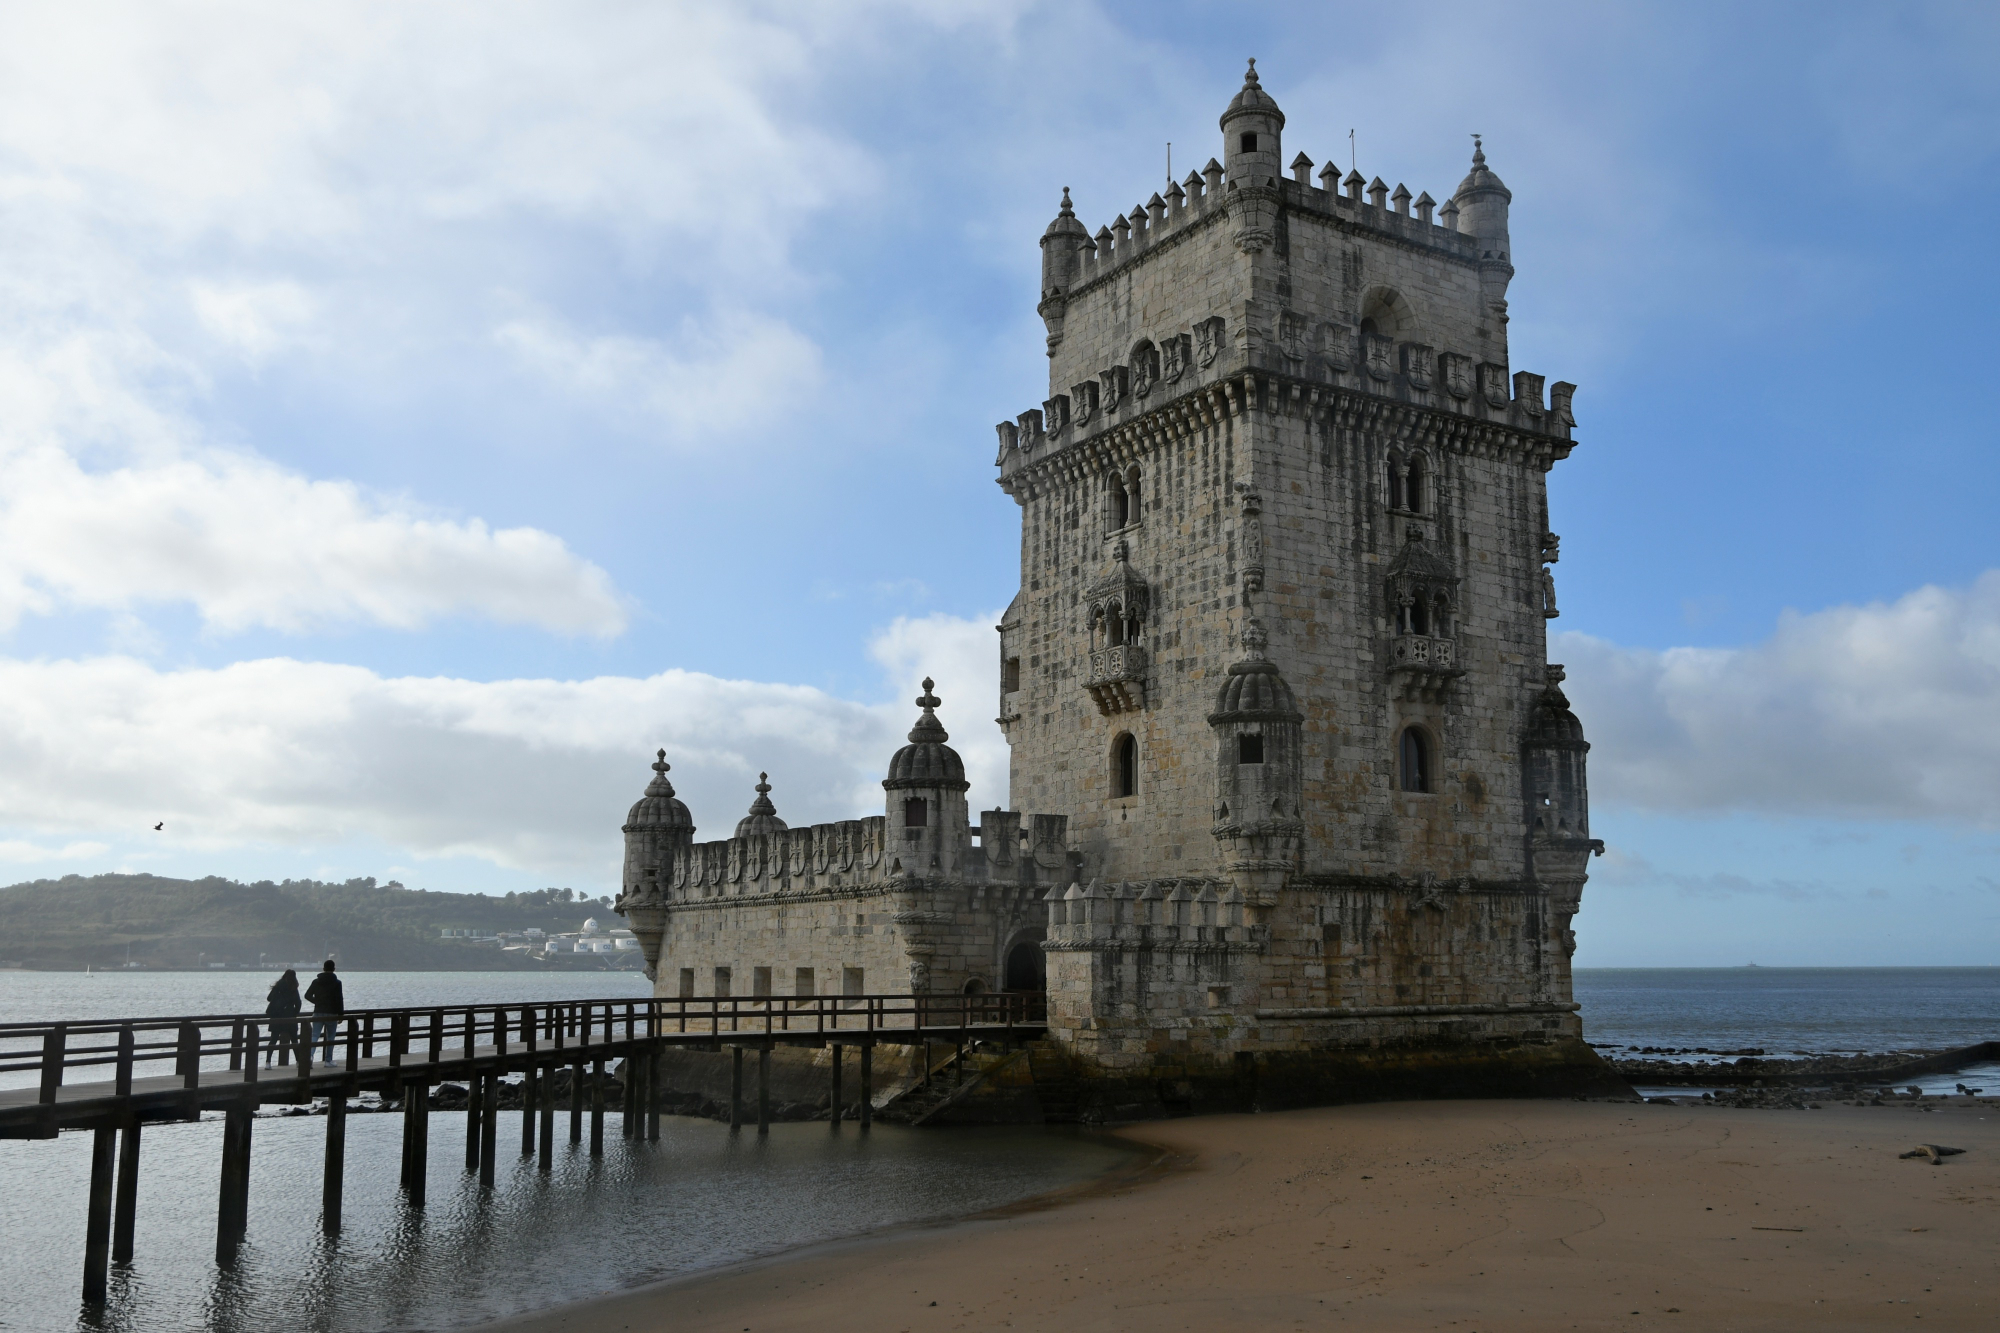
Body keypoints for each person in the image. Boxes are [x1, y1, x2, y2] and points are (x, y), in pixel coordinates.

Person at [304, 959, 344, 1065]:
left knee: (314, 1035)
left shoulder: (316, 982)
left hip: (318, 1011)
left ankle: (309, 1056)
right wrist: (341, 1014)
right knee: (330, 1037)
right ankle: (328, 1060)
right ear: (334, 969)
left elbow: (307, 995)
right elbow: (339, 999)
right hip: (332, 1013)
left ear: (323, 968)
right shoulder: (337, 983)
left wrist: (317, 1002)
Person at [264, 968, 302, 1067]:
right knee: (294, 1040)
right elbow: (298, 1003)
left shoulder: (278, 986)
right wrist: (295, 1013)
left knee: (273, 1040)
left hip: (276, 1016)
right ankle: (298, 1061)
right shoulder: (293, 987)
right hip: (290, 1017)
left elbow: (269, 998)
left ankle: (268, 1062)